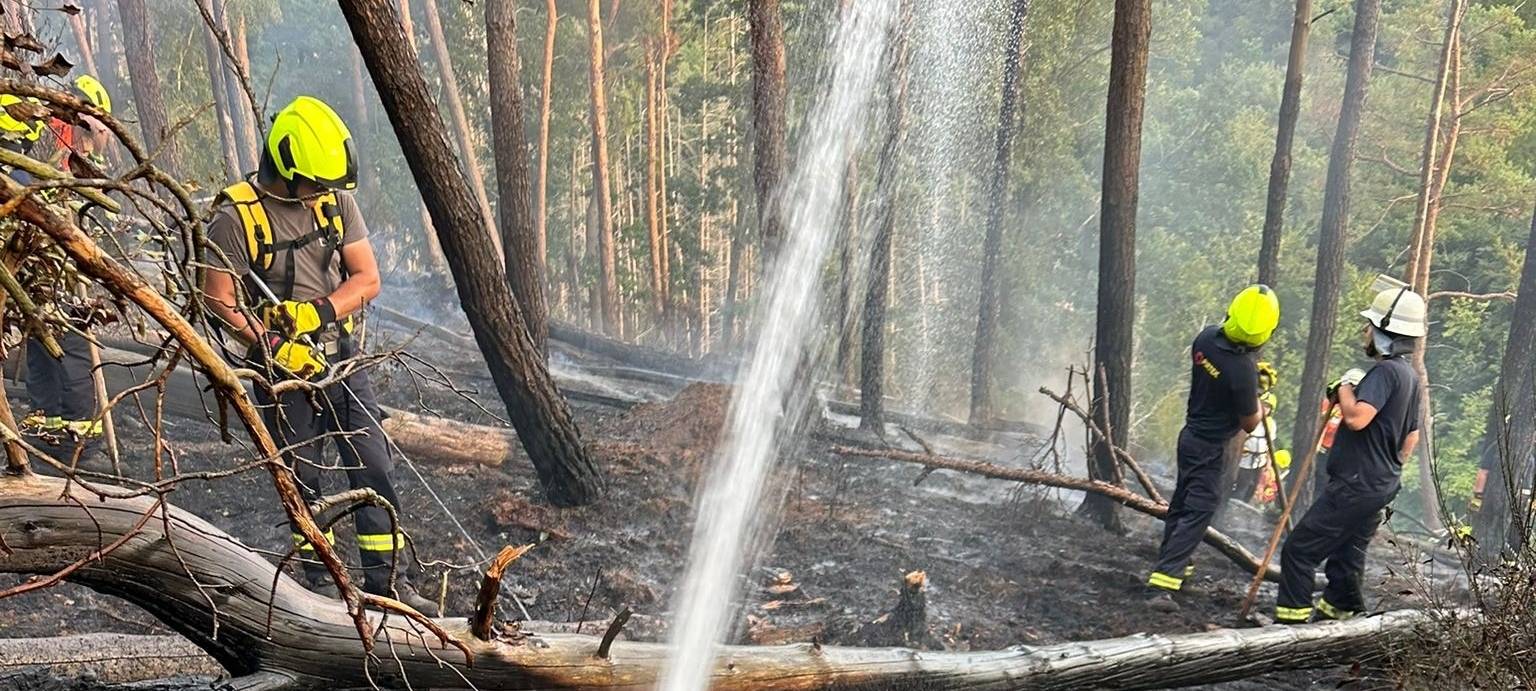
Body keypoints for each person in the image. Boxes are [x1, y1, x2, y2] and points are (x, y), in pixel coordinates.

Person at [200, 95, 438, 615]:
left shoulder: (334, 200)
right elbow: (218, 301)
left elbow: (367, 278)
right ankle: (320, 586)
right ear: (283, 168)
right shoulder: (235, 218)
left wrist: (317, 314)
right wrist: (275, 346)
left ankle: (388, 584)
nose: (320, 195)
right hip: (279, 373)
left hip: (342, 358)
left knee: (373, 464)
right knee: (303, 479)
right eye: (313, 185)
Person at [1273, 287, 1425, 624]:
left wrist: (1343, 386)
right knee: (1347, 555)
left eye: (1370, 326)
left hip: (1356, 485)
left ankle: (1290, 629)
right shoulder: (1411, 377)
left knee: (1299, 551)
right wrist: (1388, 467)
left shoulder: (1385, 373)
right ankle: (1341, 617)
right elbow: (1411, 438)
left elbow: (1357, 419)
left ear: (1386, 332)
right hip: (1381, 485)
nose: (1366, 332)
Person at [1146, 285, 1280, 610]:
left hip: (1189, 436)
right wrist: (1265, 402)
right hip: (1212, 447)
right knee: (1200, 510)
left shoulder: (1205, 339)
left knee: (1181, 504)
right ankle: (1163, 582)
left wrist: (1249, 381)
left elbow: (1222, 376)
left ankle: (1178, 562)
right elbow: (1249, 423)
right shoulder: (1243, 371)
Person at [6, 79, 110, 450]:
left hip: (38, 260)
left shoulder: (50, 138)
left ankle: (52, 423)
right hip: (46, 258)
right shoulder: (52, 139)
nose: (102, 137)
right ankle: (77, 430)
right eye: (101, 128)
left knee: (43, 334)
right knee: (70, 339)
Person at [1231, 393, 1276, 504]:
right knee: (1241, 486)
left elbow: (1270, 445)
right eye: (1264, 405)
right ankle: (1233, 506)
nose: (1265, 408)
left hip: (1259, 462)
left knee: (1252, 487)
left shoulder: (1271, 425)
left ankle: (1242, 508)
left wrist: (1268, 464)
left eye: (1268, 406)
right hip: (1244, 460)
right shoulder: (1251, 418)